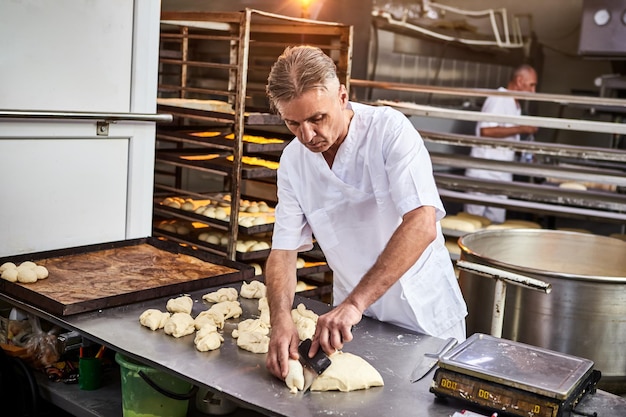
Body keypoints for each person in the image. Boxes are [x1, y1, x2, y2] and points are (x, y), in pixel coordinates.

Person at [263, 45, 467, 381]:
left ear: (342, 96)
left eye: (317, 118)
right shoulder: (293, 162)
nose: (308, 135)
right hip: (357, 323)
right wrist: (280, 317)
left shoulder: (388, 131)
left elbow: (422, 223)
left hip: (423, 315)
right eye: (293, 123)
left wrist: (354, 304)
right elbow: (283, 251)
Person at [464, 64, 539, 223]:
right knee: (472, 223)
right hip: (483, 172)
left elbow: (506, 136)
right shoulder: (499, 98)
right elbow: (486, 131)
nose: (533, 91)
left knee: (495, 226)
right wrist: (521, 128)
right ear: (519, 81)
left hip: (501, 173)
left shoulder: (515, 104)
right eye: (531, 85)